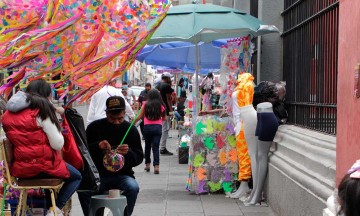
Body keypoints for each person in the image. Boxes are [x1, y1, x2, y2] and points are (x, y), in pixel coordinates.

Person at [2, 79, 82, 216]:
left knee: (49, 173)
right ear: (46, 96)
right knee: (77, 176)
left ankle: (49, 208)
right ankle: (55, 208)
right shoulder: (42, 111)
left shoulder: (7, 115)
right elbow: (58, 144)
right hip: (44, 167)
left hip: (20, 170)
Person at [78, 96, 144, 216]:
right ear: (106, 113)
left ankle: (124, 214)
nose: (116, 122)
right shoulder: (94, 127)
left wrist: (128, 153)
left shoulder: (131, 129)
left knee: (133, 187)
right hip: (97, 175)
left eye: (120, 118)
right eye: (112, 118)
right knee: (84, 189)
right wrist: (98, 146)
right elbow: (83, 153)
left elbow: (139, 157)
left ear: (124, 113)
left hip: (122, 175)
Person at [244, 102, 278, 206]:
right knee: (258, 156)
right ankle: (255, 191)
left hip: (267, 117)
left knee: (262, 155)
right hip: (260, 116)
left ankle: (258, 194)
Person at [229, 73, 257, 200]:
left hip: (245, 120)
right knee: (242, 153)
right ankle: (243, 184)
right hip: (240, 121)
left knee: (245, 153)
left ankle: (245, 184)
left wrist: (241, 122)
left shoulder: (248, 84)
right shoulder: (242, 84)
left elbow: (245, 106)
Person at [134, 89, 166, 174]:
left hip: (147, 128)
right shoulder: (161, 106)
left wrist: (132, 123)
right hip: (157, 128)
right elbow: (165, 118)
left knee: (147, 146)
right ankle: (156, 166)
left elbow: (139, 116)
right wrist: (158, 120)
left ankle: (147, 165)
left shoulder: (145, 104)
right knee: (156, 147)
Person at [156, 72, 174, 155]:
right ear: (167, 78)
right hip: (165, 110)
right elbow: (168, 99)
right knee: (165, 129)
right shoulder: (167, 86)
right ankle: (162, 148)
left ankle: (161, 147)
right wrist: (171, 111)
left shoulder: (158, 85)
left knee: (162, 128)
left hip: (158, 109)